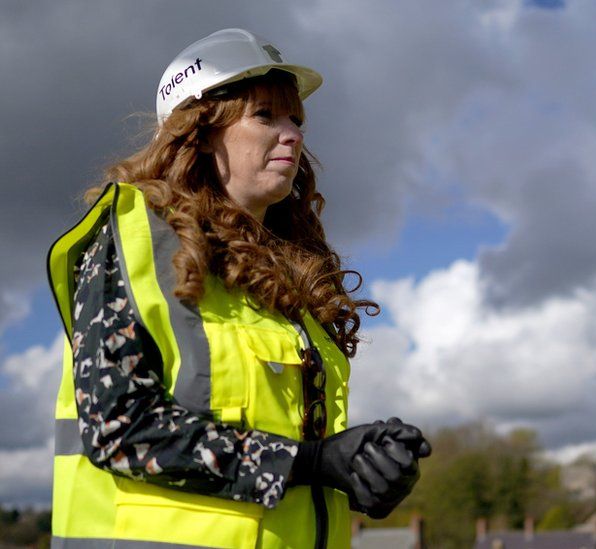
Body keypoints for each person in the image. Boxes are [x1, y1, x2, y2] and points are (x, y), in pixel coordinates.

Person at [47, 28, 430, 548]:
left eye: (296, 119)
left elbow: (295, 460)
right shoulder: (134, 237)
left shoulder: (294, 283)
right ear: (200, 132)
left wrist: (361, 471)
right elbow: (121, 429)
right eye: (265, 116)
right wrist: (312, 463)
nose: (292, 134)